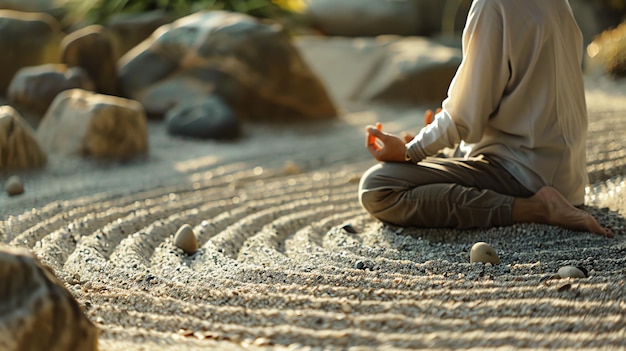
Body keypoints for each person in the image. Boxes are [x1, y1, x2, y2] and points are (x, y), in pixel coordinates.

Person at [359, 0, 613, 237]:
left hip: (524, 175)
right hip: (566, 179)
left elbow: (463, 118)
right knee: (440, 157)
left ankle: (537, 208)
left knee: (378, 187)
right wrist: (440, 147)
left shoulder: (493, 5)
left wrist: (409, 151)